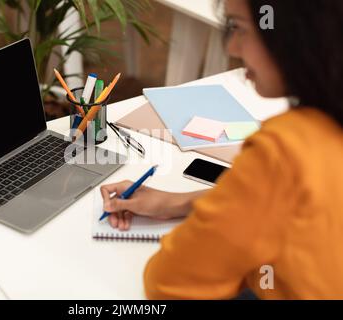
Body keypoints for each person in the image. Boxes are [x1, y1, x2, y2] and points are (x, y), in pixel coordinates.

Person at [100, 0, 343, 299]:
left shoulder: (283, 150)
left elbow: (168, 283)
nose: (232, 49)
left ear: (296, 31)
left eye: (238, 28)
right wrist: (181, 203)